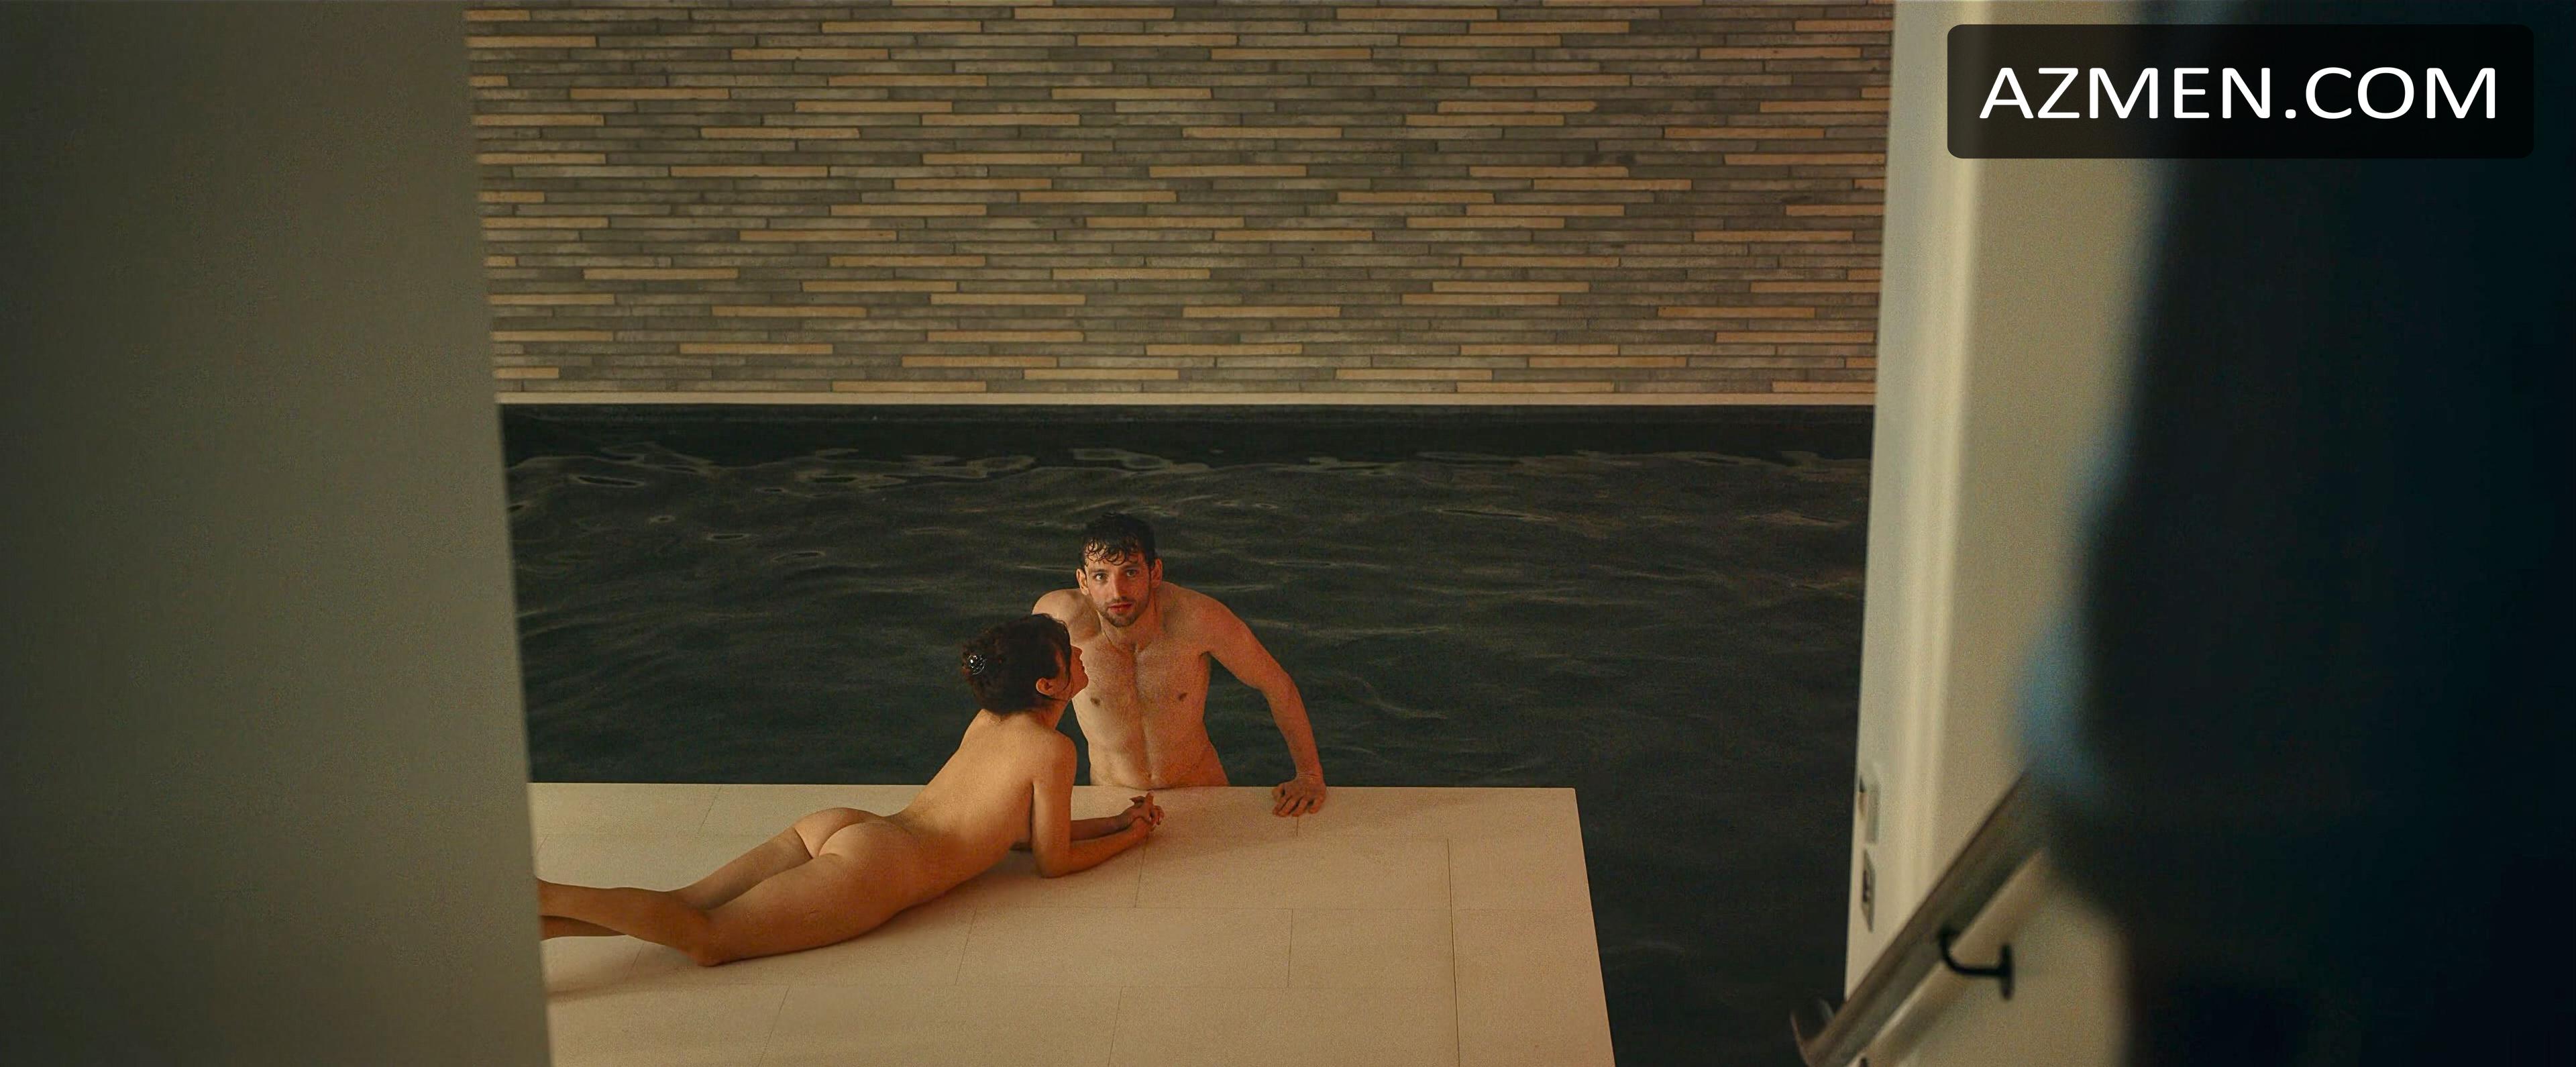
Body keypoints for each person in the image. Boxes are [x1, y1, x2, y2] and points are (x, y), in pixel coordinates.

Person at [535, 615, 1162, 966]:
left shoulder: (990, 721)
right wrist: (1131, 841)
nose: (1080, 653)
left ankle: (542, 925)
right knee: (707, 938)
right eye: (1068, 652)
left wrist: (1113, 821)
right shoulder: (1052, 751)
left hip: (850, 826)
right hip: (877, 869)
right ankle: (540, 894)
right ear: (1049, 687)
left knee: (685, 904)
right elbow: (1051, 861)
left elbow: (1020, 836)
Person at [1033, 513, 1328, 817]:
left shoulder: (1198, 619)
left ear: (1155, 572)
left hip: (1200, 788)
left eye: (1131, 572)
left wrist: (1309, 775)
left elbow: (1276, 684)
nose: (1117, 591)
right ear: (1083, 581)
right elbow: (1023, 699)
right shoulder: (1062, 622)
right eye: (1101, 577)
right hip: (1113, 796)